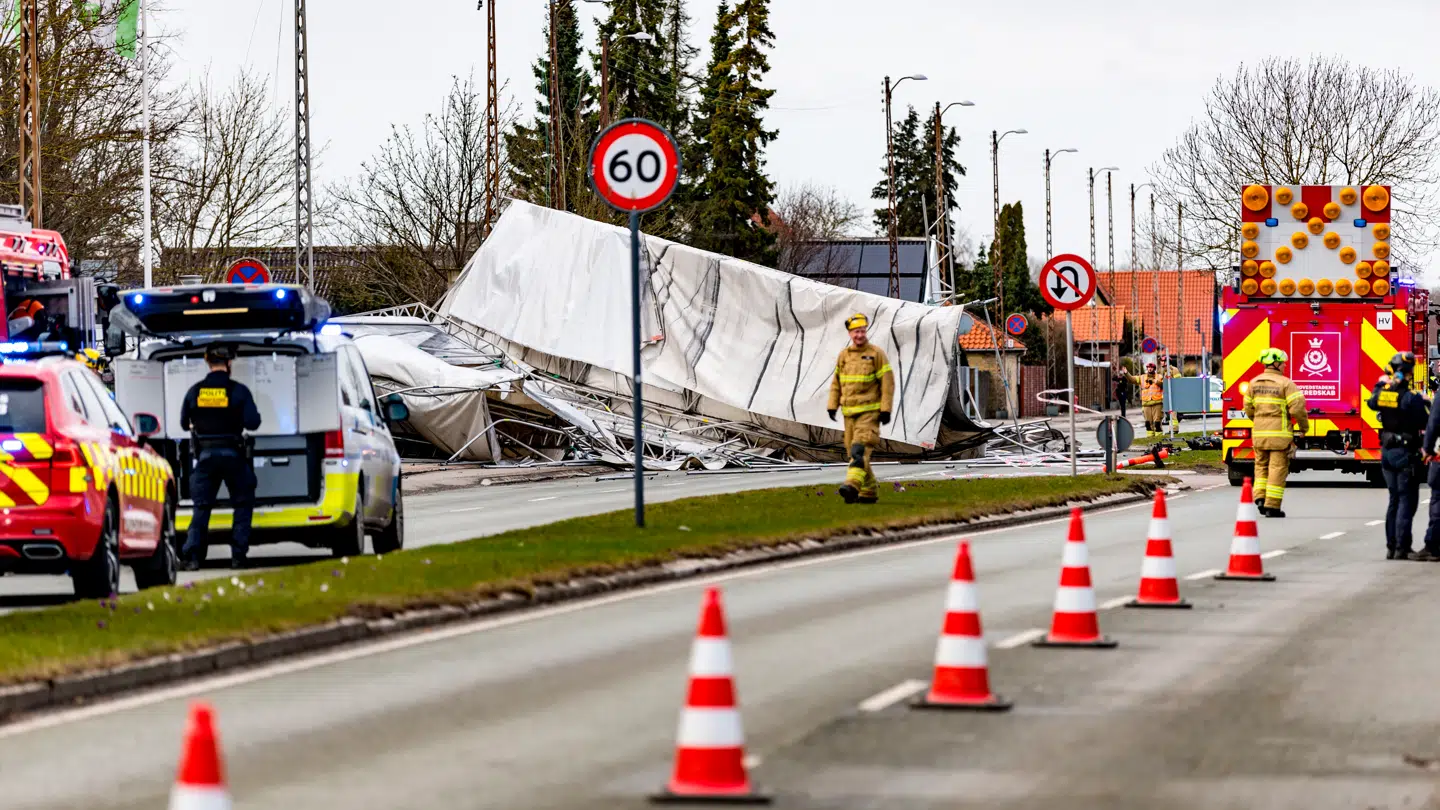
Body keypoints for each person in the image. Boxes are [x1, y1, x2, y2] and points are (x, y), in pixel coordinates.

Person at [179, 344, 261, 570]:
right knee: (243, 503)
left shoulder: (195, 391)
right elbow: (253, 423)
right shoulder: (239, 391)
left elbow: (183, 423)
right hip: (233, 454)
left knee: (201, 508)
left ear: (207, 362)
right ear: (229, 363)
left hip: (205, 456)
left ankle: (193, 557)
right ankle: (238, 556)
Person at [827, 313, 894, 505]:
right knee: (857, 455)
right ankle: (869, 490)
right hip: (849, 414)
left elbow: (887, 383)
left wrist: (885, 409)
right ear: (850, 333)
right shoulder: (844, 356)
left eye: (863, 331)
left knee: (859, 451)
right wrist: (832, 406)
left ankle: (852, 486)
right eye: (856, 332)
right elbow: (836, 383)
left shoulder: (876, 354)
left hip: (869, 414)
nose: (860, 335)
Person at [1370, 352, 1431, 560]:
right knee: (1407, 500)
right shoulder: (1411, 398)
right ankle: (1402, 547)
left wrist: (1380, 384)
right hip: (1406, 453)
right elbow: (1425, 421)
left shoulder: (1385, 395)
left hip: (1387, 452)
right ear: (1409, 373)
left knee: (1394, 499)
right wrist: (1426, 402)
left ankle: (1391, 546)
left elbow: (1372, 402)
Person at [1244, 348, 1308, 518]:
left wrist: (1259, 421)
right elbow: (1298, 409)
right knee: (1277, 468)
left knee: (1261, 466)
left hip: (1259, 435)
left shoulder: (1253, 383)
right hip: (1279, 436)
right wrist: (1303, 428)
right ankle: (1272, 506)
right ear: (1276, 363)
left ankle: (1259, 497)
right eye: (1283, 363)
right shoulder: (1286, 384)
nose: (1285, 365)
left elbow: (1248, 409)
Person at [1128, 362, 1170, 437]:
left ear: (1154, 369)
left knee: (1157, 423)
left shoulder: (1159, 376)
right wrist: (1126, 373)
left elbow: (1164, 385)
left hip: (1157, 403)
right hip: (1146, 403)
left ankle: (1159, 437)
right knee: (1148, 423)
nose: (1149, 369)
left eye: (1151, 367)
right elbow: (1132, 380)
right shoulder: (1142, 377)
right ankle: (1150, 438)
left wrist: (1156, 382)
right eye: (1148, 367)